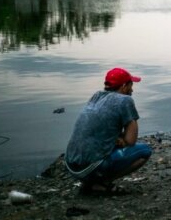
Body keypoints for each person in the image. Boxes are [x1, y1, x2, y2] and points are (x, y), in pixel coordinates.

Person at [65, 67, 152, 195]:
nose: (132, 90)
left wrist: (118, 138)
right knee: (145, 151)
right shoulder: (125, 100)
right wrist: (123, 137)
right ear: (124, 86)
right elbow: (131, 140)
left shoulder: (96, 96)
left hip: (71, 165)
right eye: (131, 86)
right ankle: (100, 184)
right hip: (89, 167)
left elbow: (99, 125)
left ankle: (90, 181)